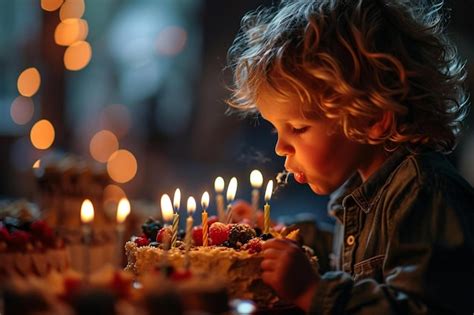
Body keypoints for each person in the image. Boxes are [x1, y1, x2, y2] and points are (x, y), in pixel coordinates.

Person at [226, 0, 474, 313]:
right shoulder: (363, 187)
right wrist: (280, 232)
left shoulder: (423, 193)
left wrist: (312, 290)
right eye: (277, 130)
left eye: (299, 128)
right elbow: (353, 255)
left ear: (372, 119)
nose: (280, 148)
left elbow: (422, 307)